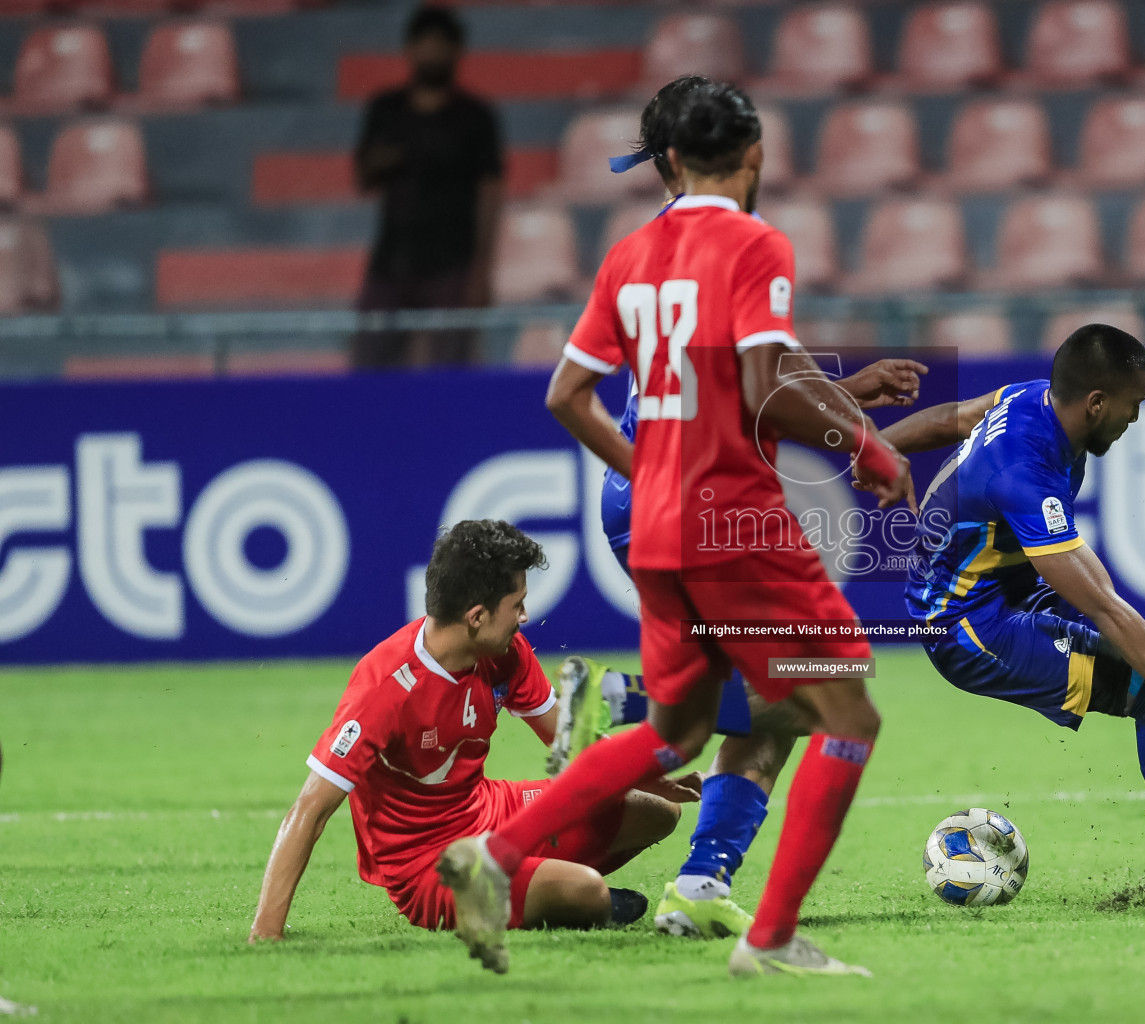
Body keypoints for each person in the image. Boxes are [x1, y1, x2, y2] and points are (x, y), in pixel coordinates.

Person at [436, 82, 914, 978]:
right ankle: (767, 941)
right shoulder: (755, 242)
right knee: (847, 705)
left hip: (656, 526)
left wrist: (649, 472)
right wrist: (865, 446)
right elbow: (762, 377)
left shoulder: (628, 255)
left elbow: (564, 397)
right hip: (734, 521)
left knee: (675, 735)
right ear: (754, 156)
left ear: (670, 162)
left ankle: (491, 859)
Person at [883, 324, 1145, 913]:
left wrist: (867, 449)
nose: (1136, 419)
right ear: (1098, 403)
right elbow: (1100, 602)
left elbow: (952, 417)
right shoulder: (1023, 474)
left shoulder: (1030, 398)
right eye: (1135, 405)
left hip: (1003, 590)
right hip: (968, 625)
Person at [247, 520, 698, 945]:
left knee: (656, 812)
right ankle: (571, 897)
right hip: (431, 867)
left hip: (490, 811)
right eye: (516, 604)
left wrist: (642, 772)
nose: (524, 616)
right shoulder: (386, 688)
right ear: (477, 616)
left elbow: (568, 741)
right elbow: (311, 808)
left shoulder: (505, 654)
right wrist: (267, 932)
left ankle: (547, 887)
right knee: (588, 893)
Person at [351, 4, 503, 370]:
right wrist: (394, 156)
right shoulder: (386, 110)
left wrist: (481, 273)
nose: (432, 52)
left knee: (452, 370)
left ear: (456, 52)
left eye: (441, 43)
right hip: (390, 263)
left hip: (452, 266)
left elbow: (491, 193)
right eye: (424, 43)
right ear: (409, 50)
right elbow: (363, 175)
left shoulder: (475, 117)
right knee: (370, 368)